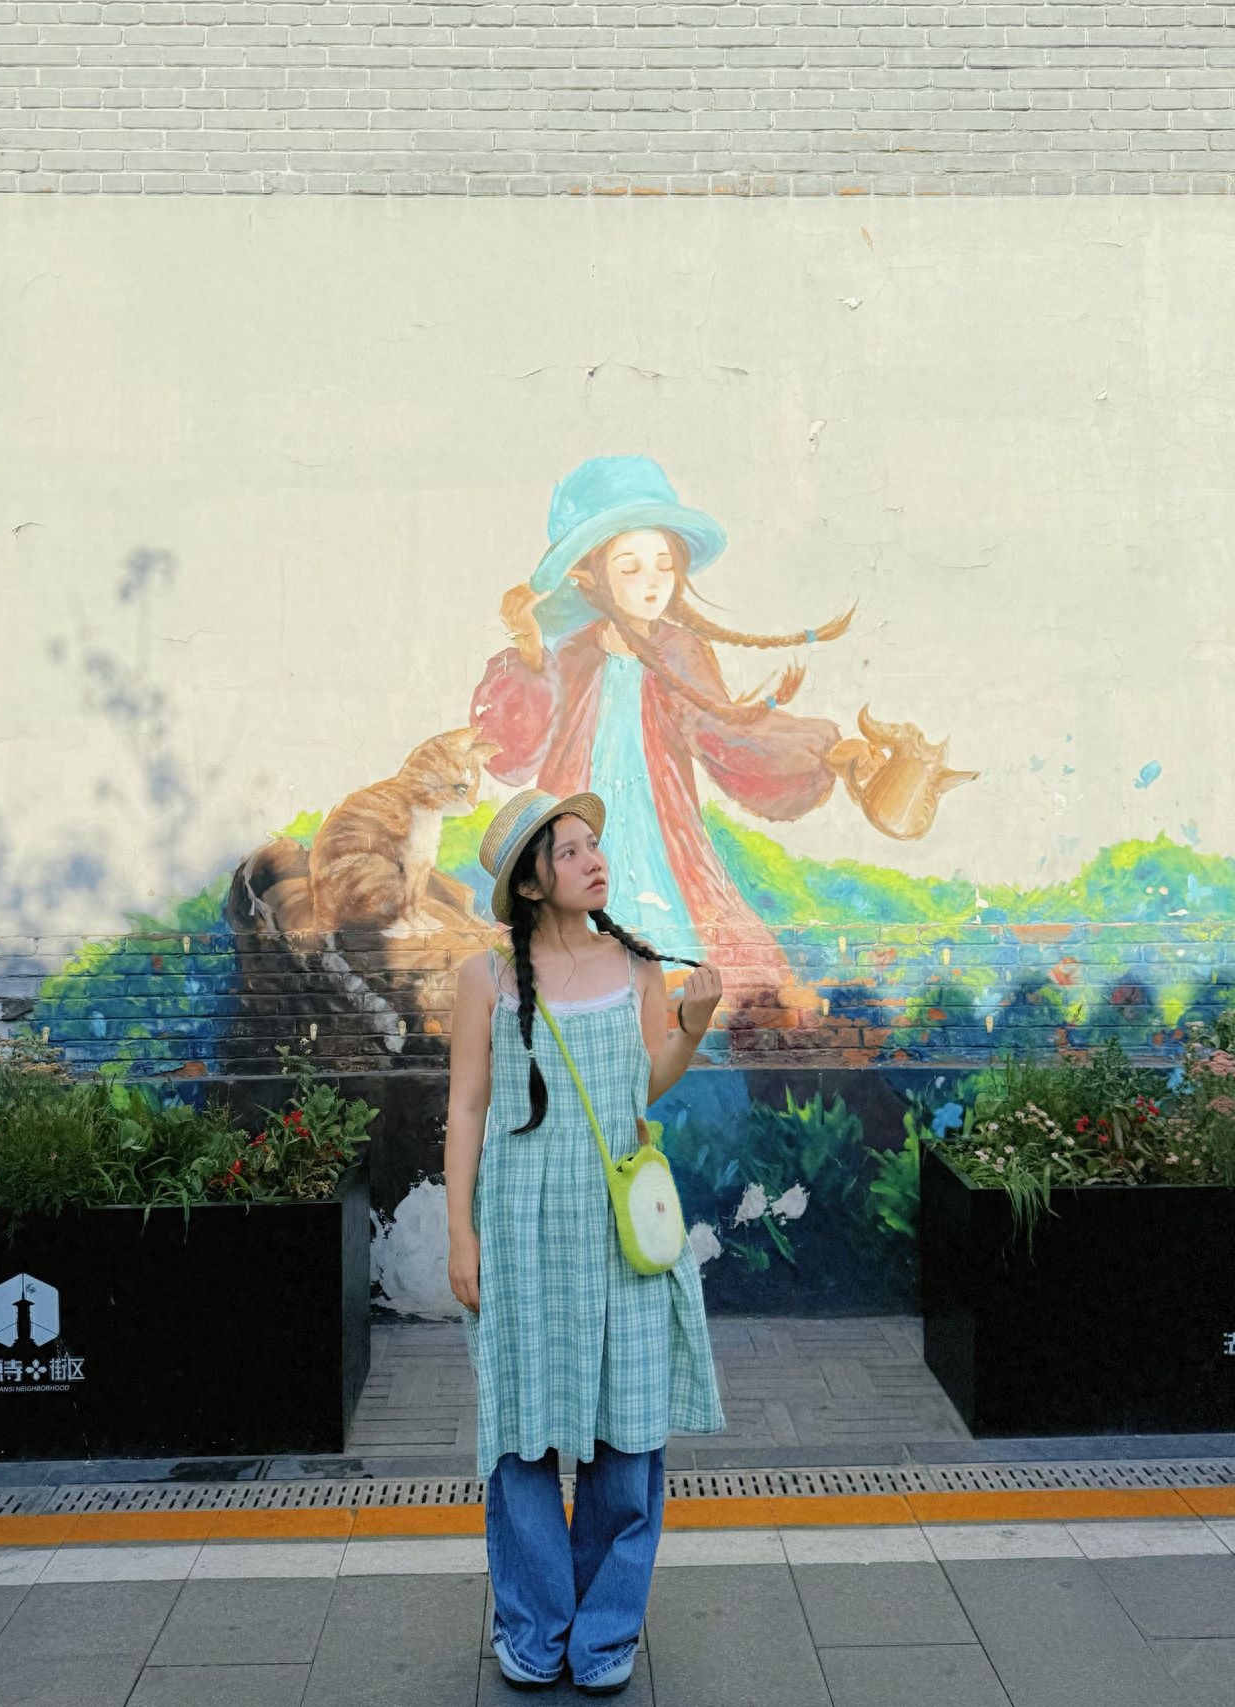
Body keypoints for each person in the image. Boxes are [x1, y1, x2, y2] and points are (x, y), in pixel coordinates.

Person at [445, 786, 727, 1695]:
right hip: (521, 1227)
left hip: (618, 1232)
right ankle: (534, 1626)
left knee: (628, 1431)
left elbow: (643, 1086)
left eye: (592, 845)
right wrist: (461, 1232)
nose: (592, 859)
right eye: (568, 851)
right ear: (531, 883)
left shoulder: (637, 964)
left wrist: (692, 1026)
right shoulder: (486, 978)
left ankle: (605, 1632)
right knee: (521, 1432)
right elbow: (467, 1106)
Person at [469, 455, 855, 992]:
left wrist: (822, 751)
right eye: (629, 567)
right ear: (591, 575)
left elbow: (727, 736)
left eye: (663, 565)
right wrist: (529, 647)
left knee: (682, 960)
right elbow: (511, 753)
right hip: (579, 828)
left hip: (660, 829)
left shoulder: (681, 651)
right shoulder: (572, 653)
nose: (651, 583)